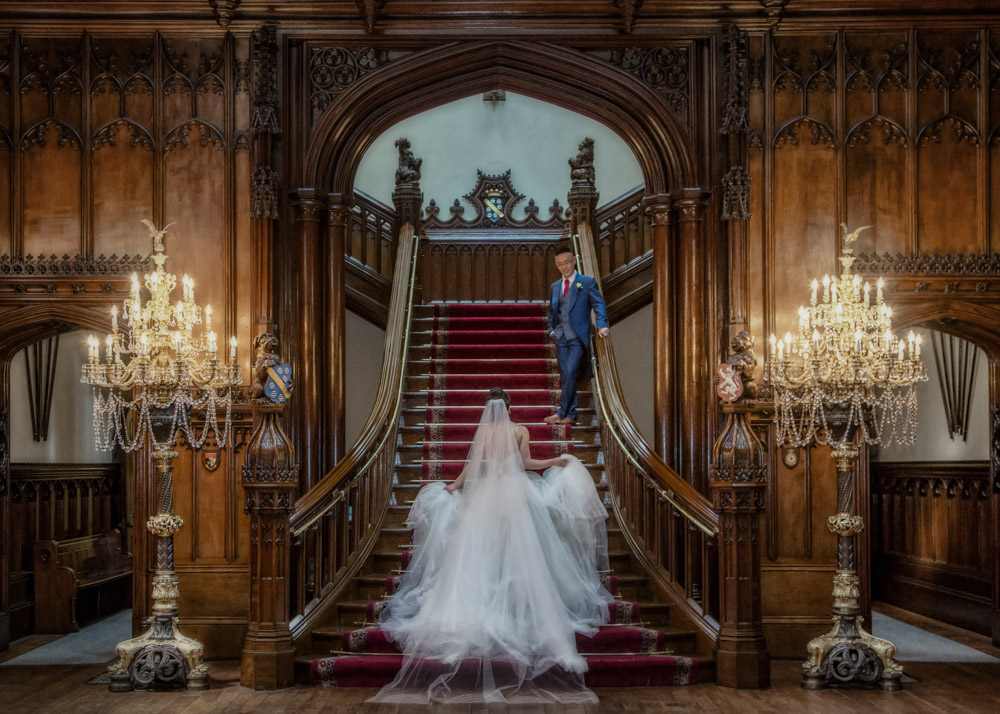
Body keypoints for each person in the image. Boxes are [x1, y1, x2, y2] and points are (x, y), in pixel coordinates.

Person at [369, 388, 613, 704]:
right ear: (509, 407)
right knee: (522, 551)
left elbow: (473, 463)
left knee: (479, 553)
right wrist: (557, 459)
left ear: (487, 408)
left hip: (485, 496)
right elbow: (525, 464)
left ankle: (483, 606)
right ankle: (519, 606)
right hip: (514, 495)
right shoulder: (519, 429)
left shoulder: (484, 431)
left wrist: (455, 485)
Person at [545, 246, 609, 425]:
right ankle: (567, 413)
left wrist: (602, 325)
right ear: (556, 266)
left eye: (566, 262)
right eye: (559, 264)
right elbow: (553, 311)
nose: (564, 267)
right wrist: (552, 329)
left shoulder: (587, 282)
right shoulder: (555, 286)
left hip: (577, 337)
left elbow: (599, 304)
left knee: (571, 371)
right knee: (565, 374)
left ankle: (565, 412)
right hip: (560, 337)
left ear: (573, 261)